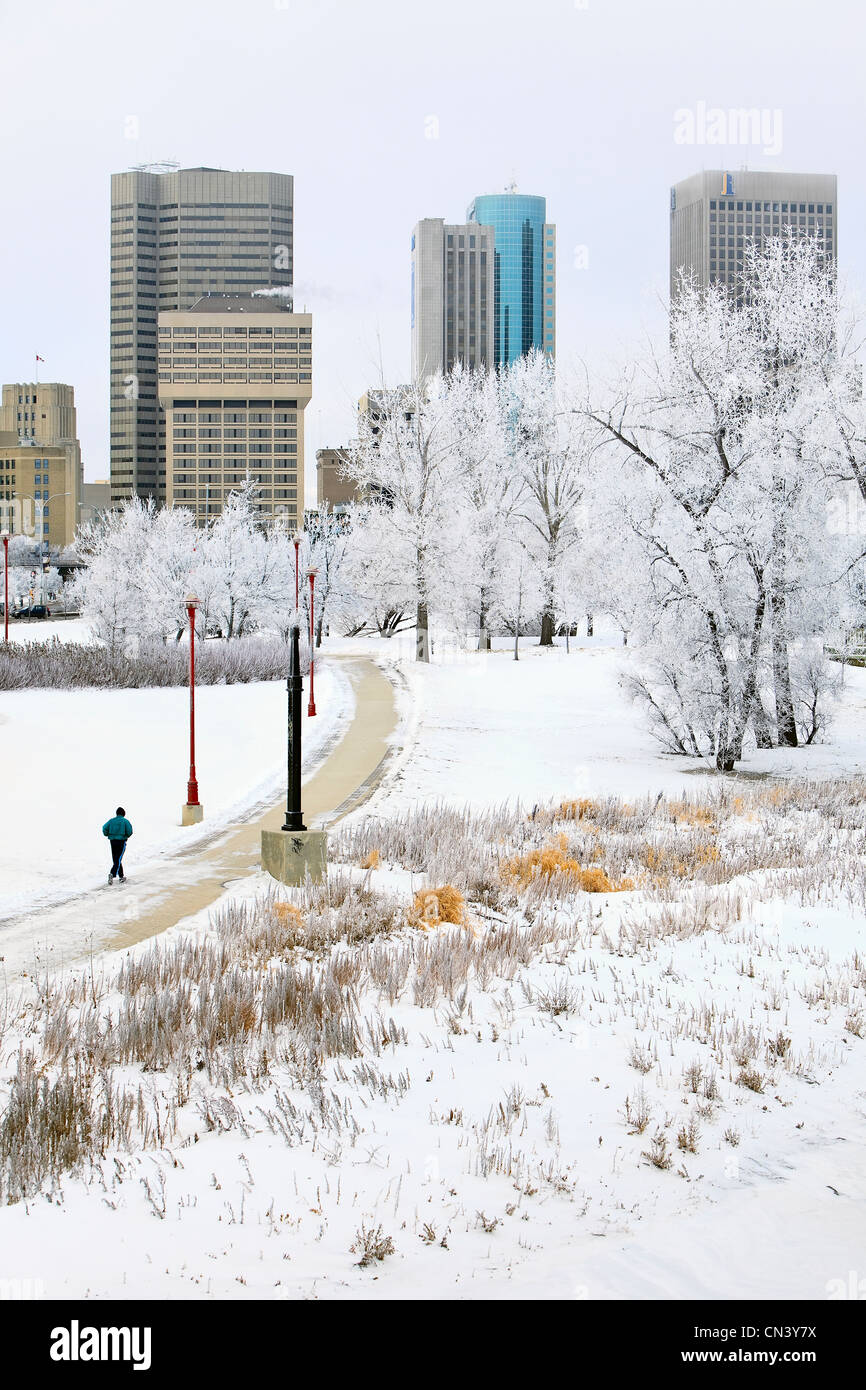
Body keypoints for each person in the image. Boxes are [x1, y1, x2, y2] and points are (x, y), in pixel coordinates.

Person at [102, 806, 133, 883]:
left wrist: (107, 834)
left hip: (112, 841)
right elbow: (130, 831)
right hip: (121, 842)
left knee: (116, 859)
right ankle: (112, 874)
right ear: (123, 814)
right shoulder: (125, 821)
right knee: (118, 859)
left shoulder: (111, 821)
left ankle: (121, 876)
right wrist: (125, 836)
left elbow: (104, 828)